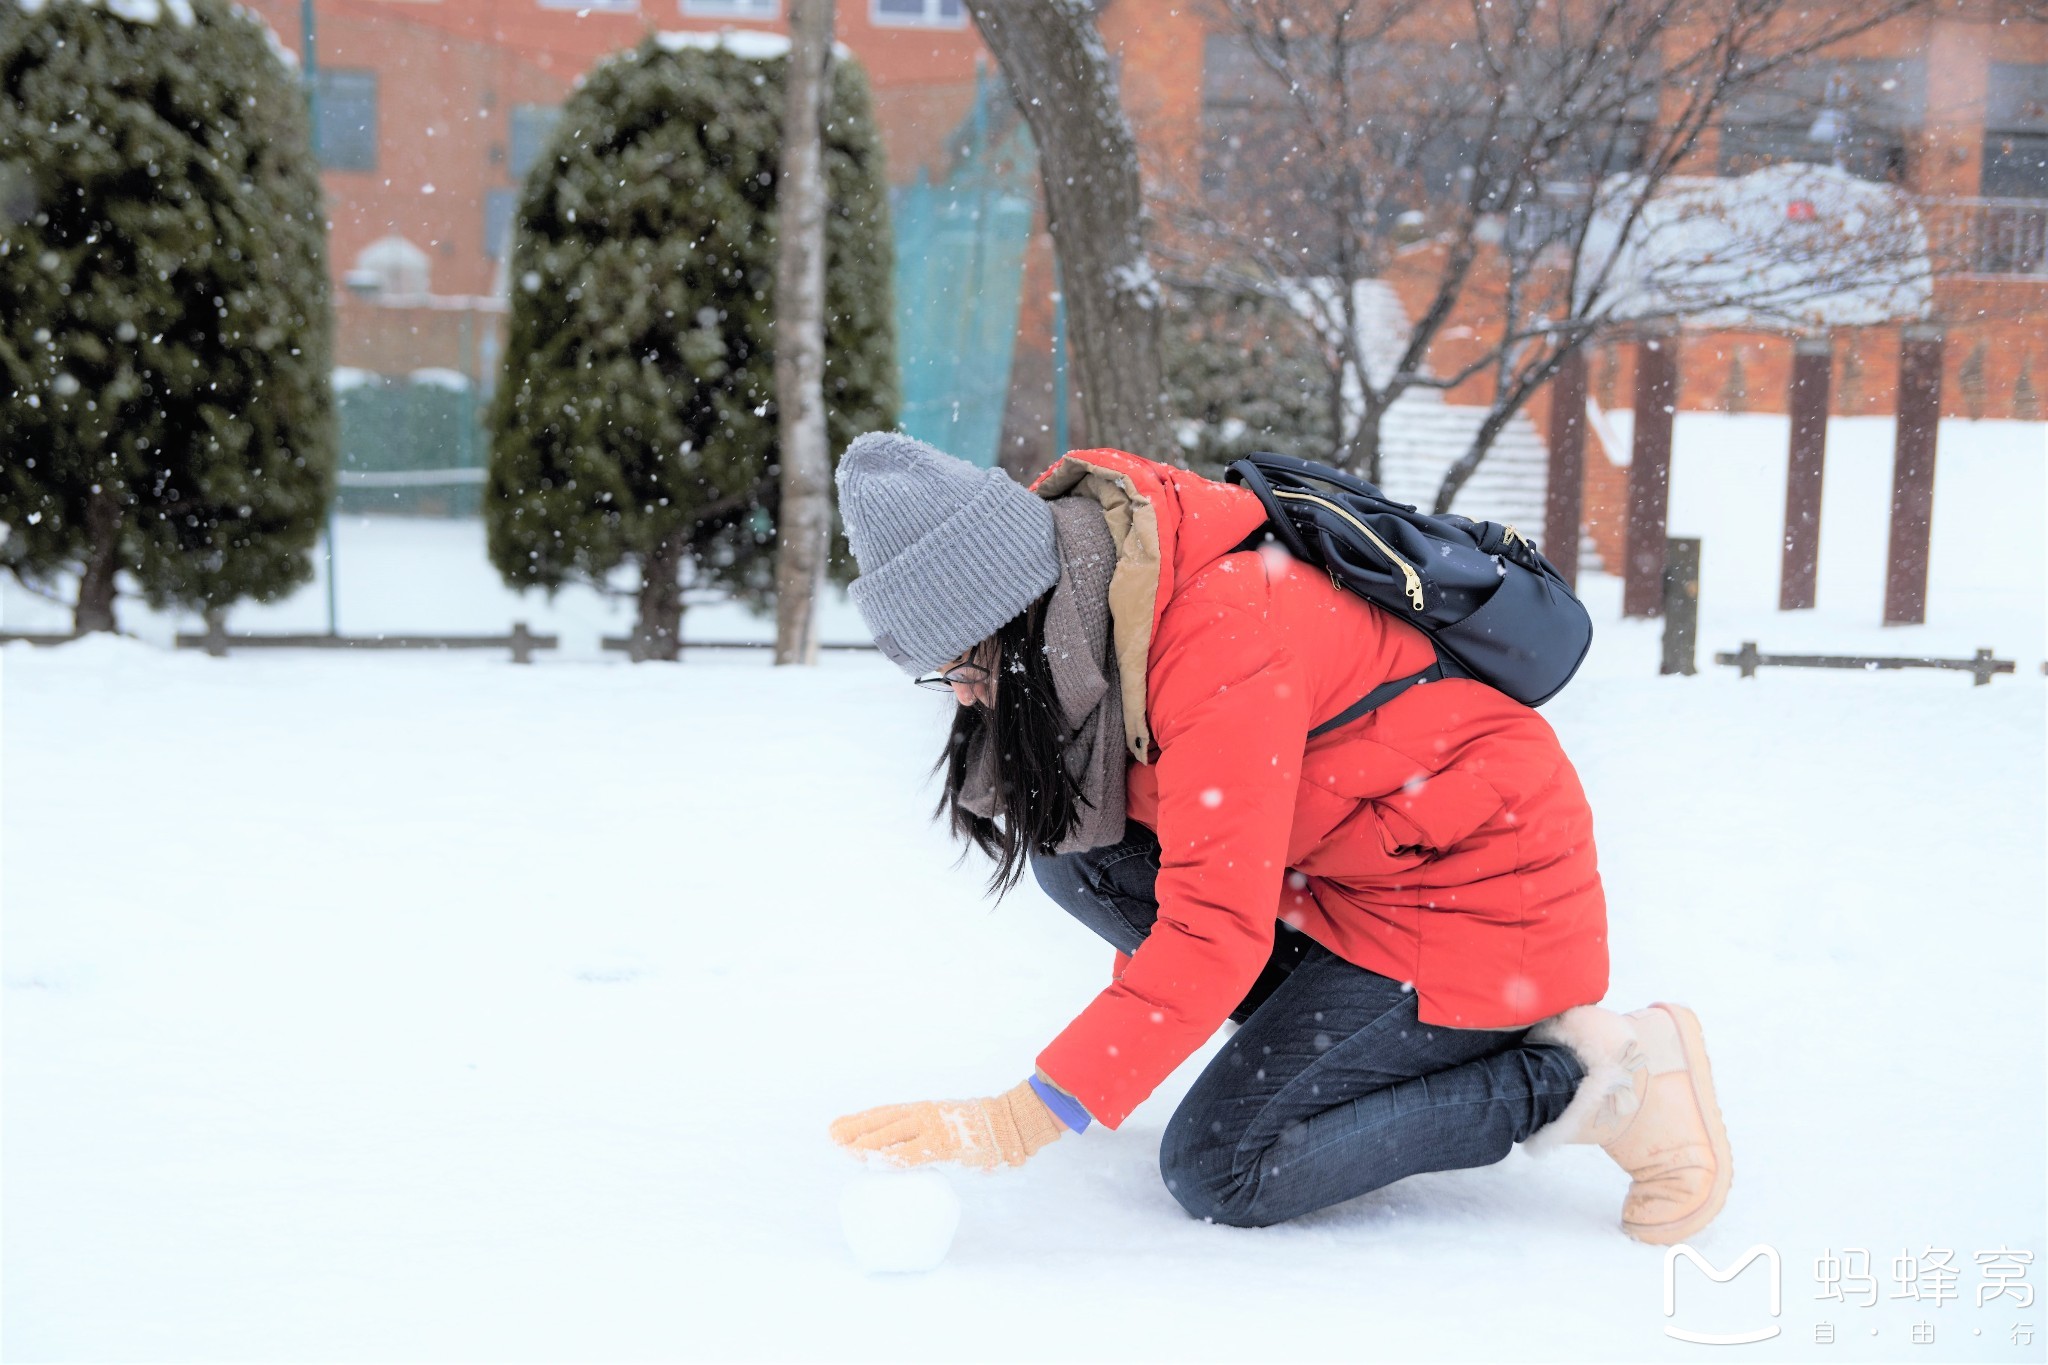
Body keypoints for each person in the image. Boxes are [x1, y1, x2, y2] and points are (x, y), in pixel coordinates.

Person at [825, 432, 1732, 1244]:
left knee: (1224, 1163)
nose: (968, 698)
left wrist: (1038, 1109)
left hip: (1478, 902)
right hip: (1362, 875)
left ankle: (1590, 1077)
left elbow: (1212, 927)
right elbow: (1182, 868)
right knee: (1080, 861)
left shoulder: (1216, 640)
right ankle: (1393, 1048)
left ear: (1009, 616)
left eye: (961, 669)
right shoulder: (1102, 591)